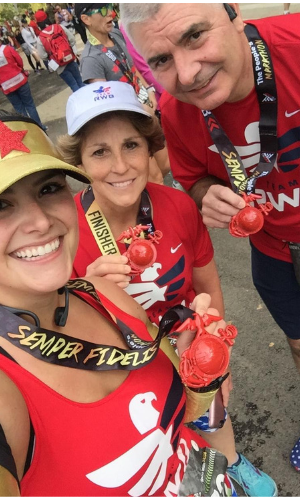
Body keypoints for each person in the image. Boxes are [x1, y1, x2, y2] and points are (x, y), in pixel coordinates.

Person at [57, 80, 277, 497]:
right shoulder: (63, 231)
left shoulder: (176, 205)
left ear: (150, 148)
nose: (120, 166)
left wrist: (215, 350)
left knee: (212, 417)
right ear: (80, 162)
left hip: (185, 346)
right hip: (119, 371)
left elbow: (207, 281)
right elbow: (52, 332)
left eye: (131, 145)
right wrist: (86, 291)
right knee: (164, 447)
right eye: (100, 151)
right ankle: (192, 479)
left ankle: (229, 466)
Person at [0, 110, 235, 496]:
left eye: (47, 189)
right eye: (1, 205)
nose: (40, 222)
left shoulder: (104, 294)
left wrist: (197, 374)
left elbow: (175, 419)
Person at [119, 2, 300, 473]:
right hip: (278, 254)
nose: (187, 73)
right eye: (160, 60)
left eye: (195, 35)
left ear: (234, 14)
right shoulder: (175, 111)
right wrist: (206, 194)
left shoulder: (294, 47)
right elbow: (194, 176)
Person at [75, 3, 168, 184]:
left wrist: (149, 91)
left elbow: (132, 67)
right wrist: (139, 109)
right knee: (155, 176)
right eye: (102, 11)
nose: (110, 14)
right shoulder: (90, 59)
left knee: (166, 163)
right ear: (85, 19)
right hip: (129, 124)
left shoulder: (116, 35)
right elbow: (106, 106)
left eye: (110, 8)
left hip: (147, 111)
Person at [0, 43, 47, 131]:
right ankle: (40, 128)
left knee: (19, 108)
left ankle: (29, 130)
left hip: (6, 86)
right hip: (19, 80)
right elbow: (19, 61)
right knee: (30, 105)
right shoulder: (7, 49)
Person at [37, 24, 84, 92]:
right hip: (70, 58)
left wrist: (51, 56)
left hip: (59, 66)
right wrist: (67, 49)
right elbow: (72, 40)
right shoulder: (59, 27)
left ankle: (79, 101)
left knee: (73, 85)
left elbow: (43, 56)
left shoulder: (40, 38)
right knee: (80, 82)